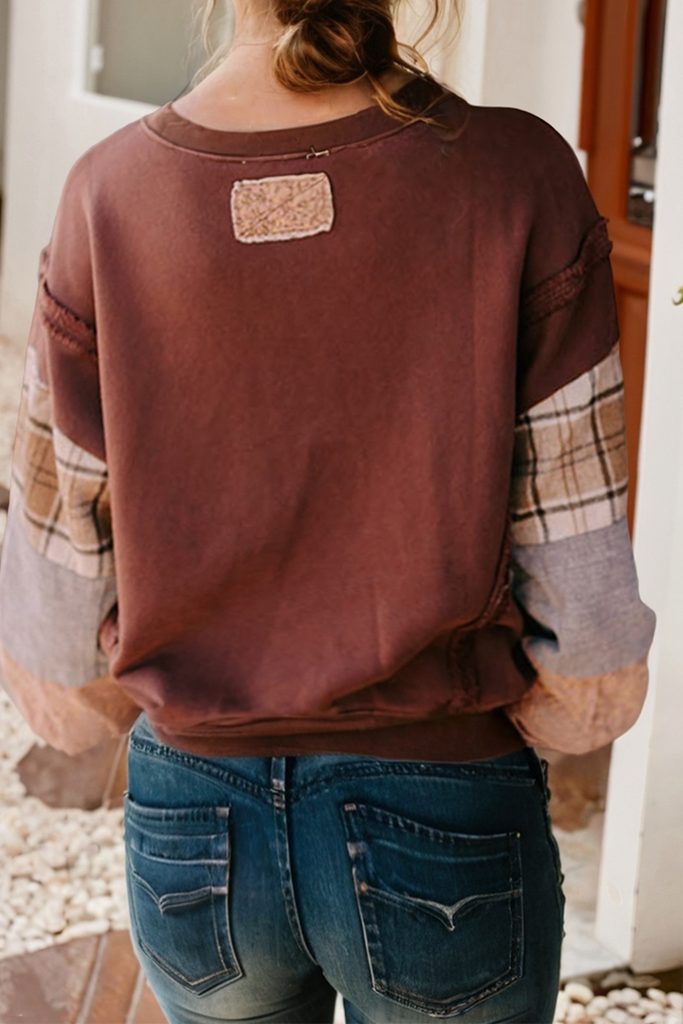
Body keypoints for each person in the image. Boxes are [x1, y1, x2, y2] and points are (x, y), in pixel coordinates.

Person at [0, 1, 656, 1022]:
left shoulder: (106, 194)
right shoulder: (515, 175)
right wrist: (484, 721)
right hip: (444, 804)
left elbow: (53, 672)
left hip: (193, 827)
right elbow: (594, 668)